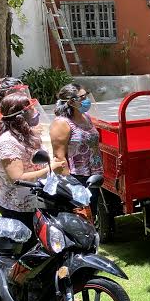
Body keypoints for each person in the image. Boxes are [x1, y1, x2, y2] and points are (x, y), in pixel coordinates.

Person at [0, 92, 65, 230]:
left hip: (36, 200)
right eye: (31, 109)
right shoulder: (7, 142)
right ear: (21, 116)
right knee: (26, 242)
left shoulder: (25, 134)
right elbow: (17, 178)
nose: (36, 112)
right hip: (18, 207)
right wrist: (50, 168)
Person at [49, 84, 103, 214]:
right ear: (71, 102)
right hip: (77, 178)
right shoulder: (62, 123)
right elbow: (59, 156)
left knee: (92, 214)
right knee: (80, 215)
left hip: (93, 176)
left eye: (86, 95)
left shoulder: (86, 117)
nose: (86, 100)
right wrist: (72, 187)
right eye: (82, 97)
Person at [0, 76, 24, 148]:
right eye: (19, 92)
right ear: (8, 93)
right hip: (6, 146)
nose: (23, 95)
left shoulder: (15, 107)